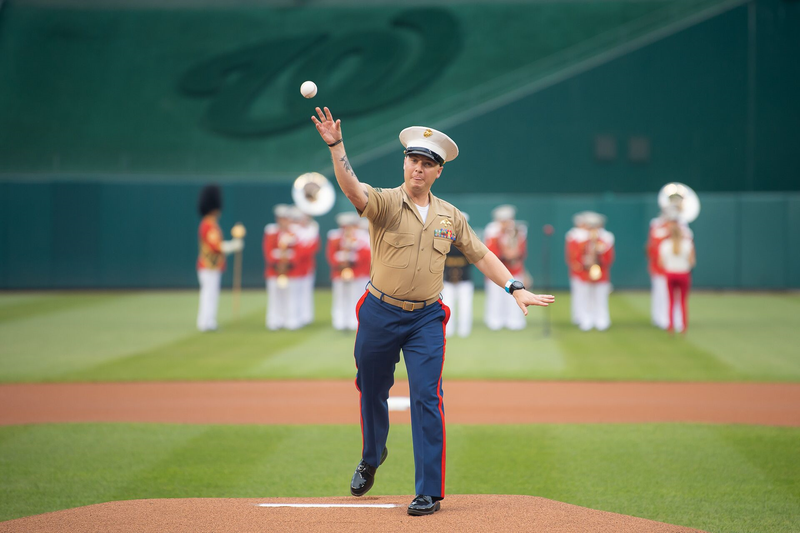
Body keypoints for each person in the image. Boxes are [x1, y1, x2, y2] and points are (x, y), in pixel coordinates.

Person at [311, 106, 554, 516]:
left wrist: (515, 286)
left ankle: (429, 491)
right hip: (379, 311)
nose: (418, 169)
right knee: (371, 388)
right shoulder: (386, 202)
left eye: (427, 164)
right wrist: (337, 146)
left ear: (439, 171)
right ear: (404, 163)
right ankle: (372, 455)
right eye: (413, 160)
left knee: (427, 396)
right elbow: (354, 190)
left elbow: (480, 253)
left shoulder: (449, 216)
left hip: (425, 318)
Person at [196, 184, 243, 332]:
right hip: (208, 265)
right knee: (208, 294)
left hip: (213, 265)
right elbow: (215, 245)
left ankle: (209, 320)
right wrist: (233, 245)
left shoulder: (211, 224)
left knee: (211, 294)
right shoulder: (208, 225)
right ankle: (205, 322)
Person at [263, 204, 313, 330]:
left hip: (292, 271)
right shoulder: (271, 232)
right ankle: (274, 320)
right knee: (275, 296)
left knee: (292, 297)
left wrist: (288, 259)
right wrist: (279, 260)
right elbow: (268, 252)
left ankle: (292, 319)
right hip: (275, 270)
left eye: (286, 218)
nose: (284, 221)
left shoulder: (296, 233)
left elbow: (300, 252)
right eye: (281, 218)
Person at [647, 203, 693, 331]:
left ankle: (676, 322)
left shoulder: (684, 231)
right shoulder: (657, 228)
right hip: (663, 270)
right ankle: (663, 319)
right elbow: (653, 249)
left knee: (675, 299)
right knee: (663, 296)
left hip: (673, 270)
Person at [483, 205, 528, 331]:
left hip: (514, 269)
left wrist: (514, 254)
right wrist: (505, 254)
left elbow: (522, 249)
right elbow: (489, 251)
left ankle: (514, 320)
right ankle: (494, 320)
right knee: (495, 296)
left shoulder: (519, 230)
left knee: (516, 294)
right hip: (496, 270)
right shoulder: (492, 230)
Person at [327, 211, 371, 331]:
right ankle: (339, 320)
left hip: (359, 273)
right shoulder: (335, 237)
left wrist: (353, 258)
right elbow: (331, 255)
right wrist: (341, 260)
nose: (347, 228)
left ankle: (354, 321)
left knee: (357, 297)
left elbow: (367, 255)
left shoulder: (362, 237)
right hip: (340, 272)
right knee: (340, 297)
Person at [573, 212, 614, 331]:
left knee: (601, 298)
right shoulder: (582, 241)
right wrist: (584, 262)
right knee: (586, 298)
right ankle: (587, 320)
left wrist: (599, 258)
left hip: (601, 274)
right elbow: (576, 256)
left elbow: (609, 258)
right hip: (585, 273)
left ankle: (602, 320)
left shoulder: (605, 241)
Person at [658, 216, 696, 333]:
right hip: (683, 274)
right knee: (683, 301)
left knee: (671, 301)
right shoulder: (688, 244)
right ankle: (683, 326)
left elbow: (661, 262)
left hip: (670, 273)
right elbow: (692, 261)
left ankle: (671, 326)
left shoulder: (664, 244)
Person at [441, 212, 474, 338]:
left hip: (464, 277)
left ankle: (464, 330)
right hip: (447, 277)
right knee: (447, 305)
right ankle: (448, 329)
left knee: (465, 305)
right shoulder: (444, 238)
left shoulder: (470, 239)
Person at [565, 212, 589, 325]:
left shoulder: (590, 235)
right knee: (579, 294)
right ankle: (579, 317)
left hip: (589, 271)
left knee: (587, 295)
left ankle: (586, 317)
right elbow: (572, 255)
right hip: (579, 270)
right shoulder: (573, 235)